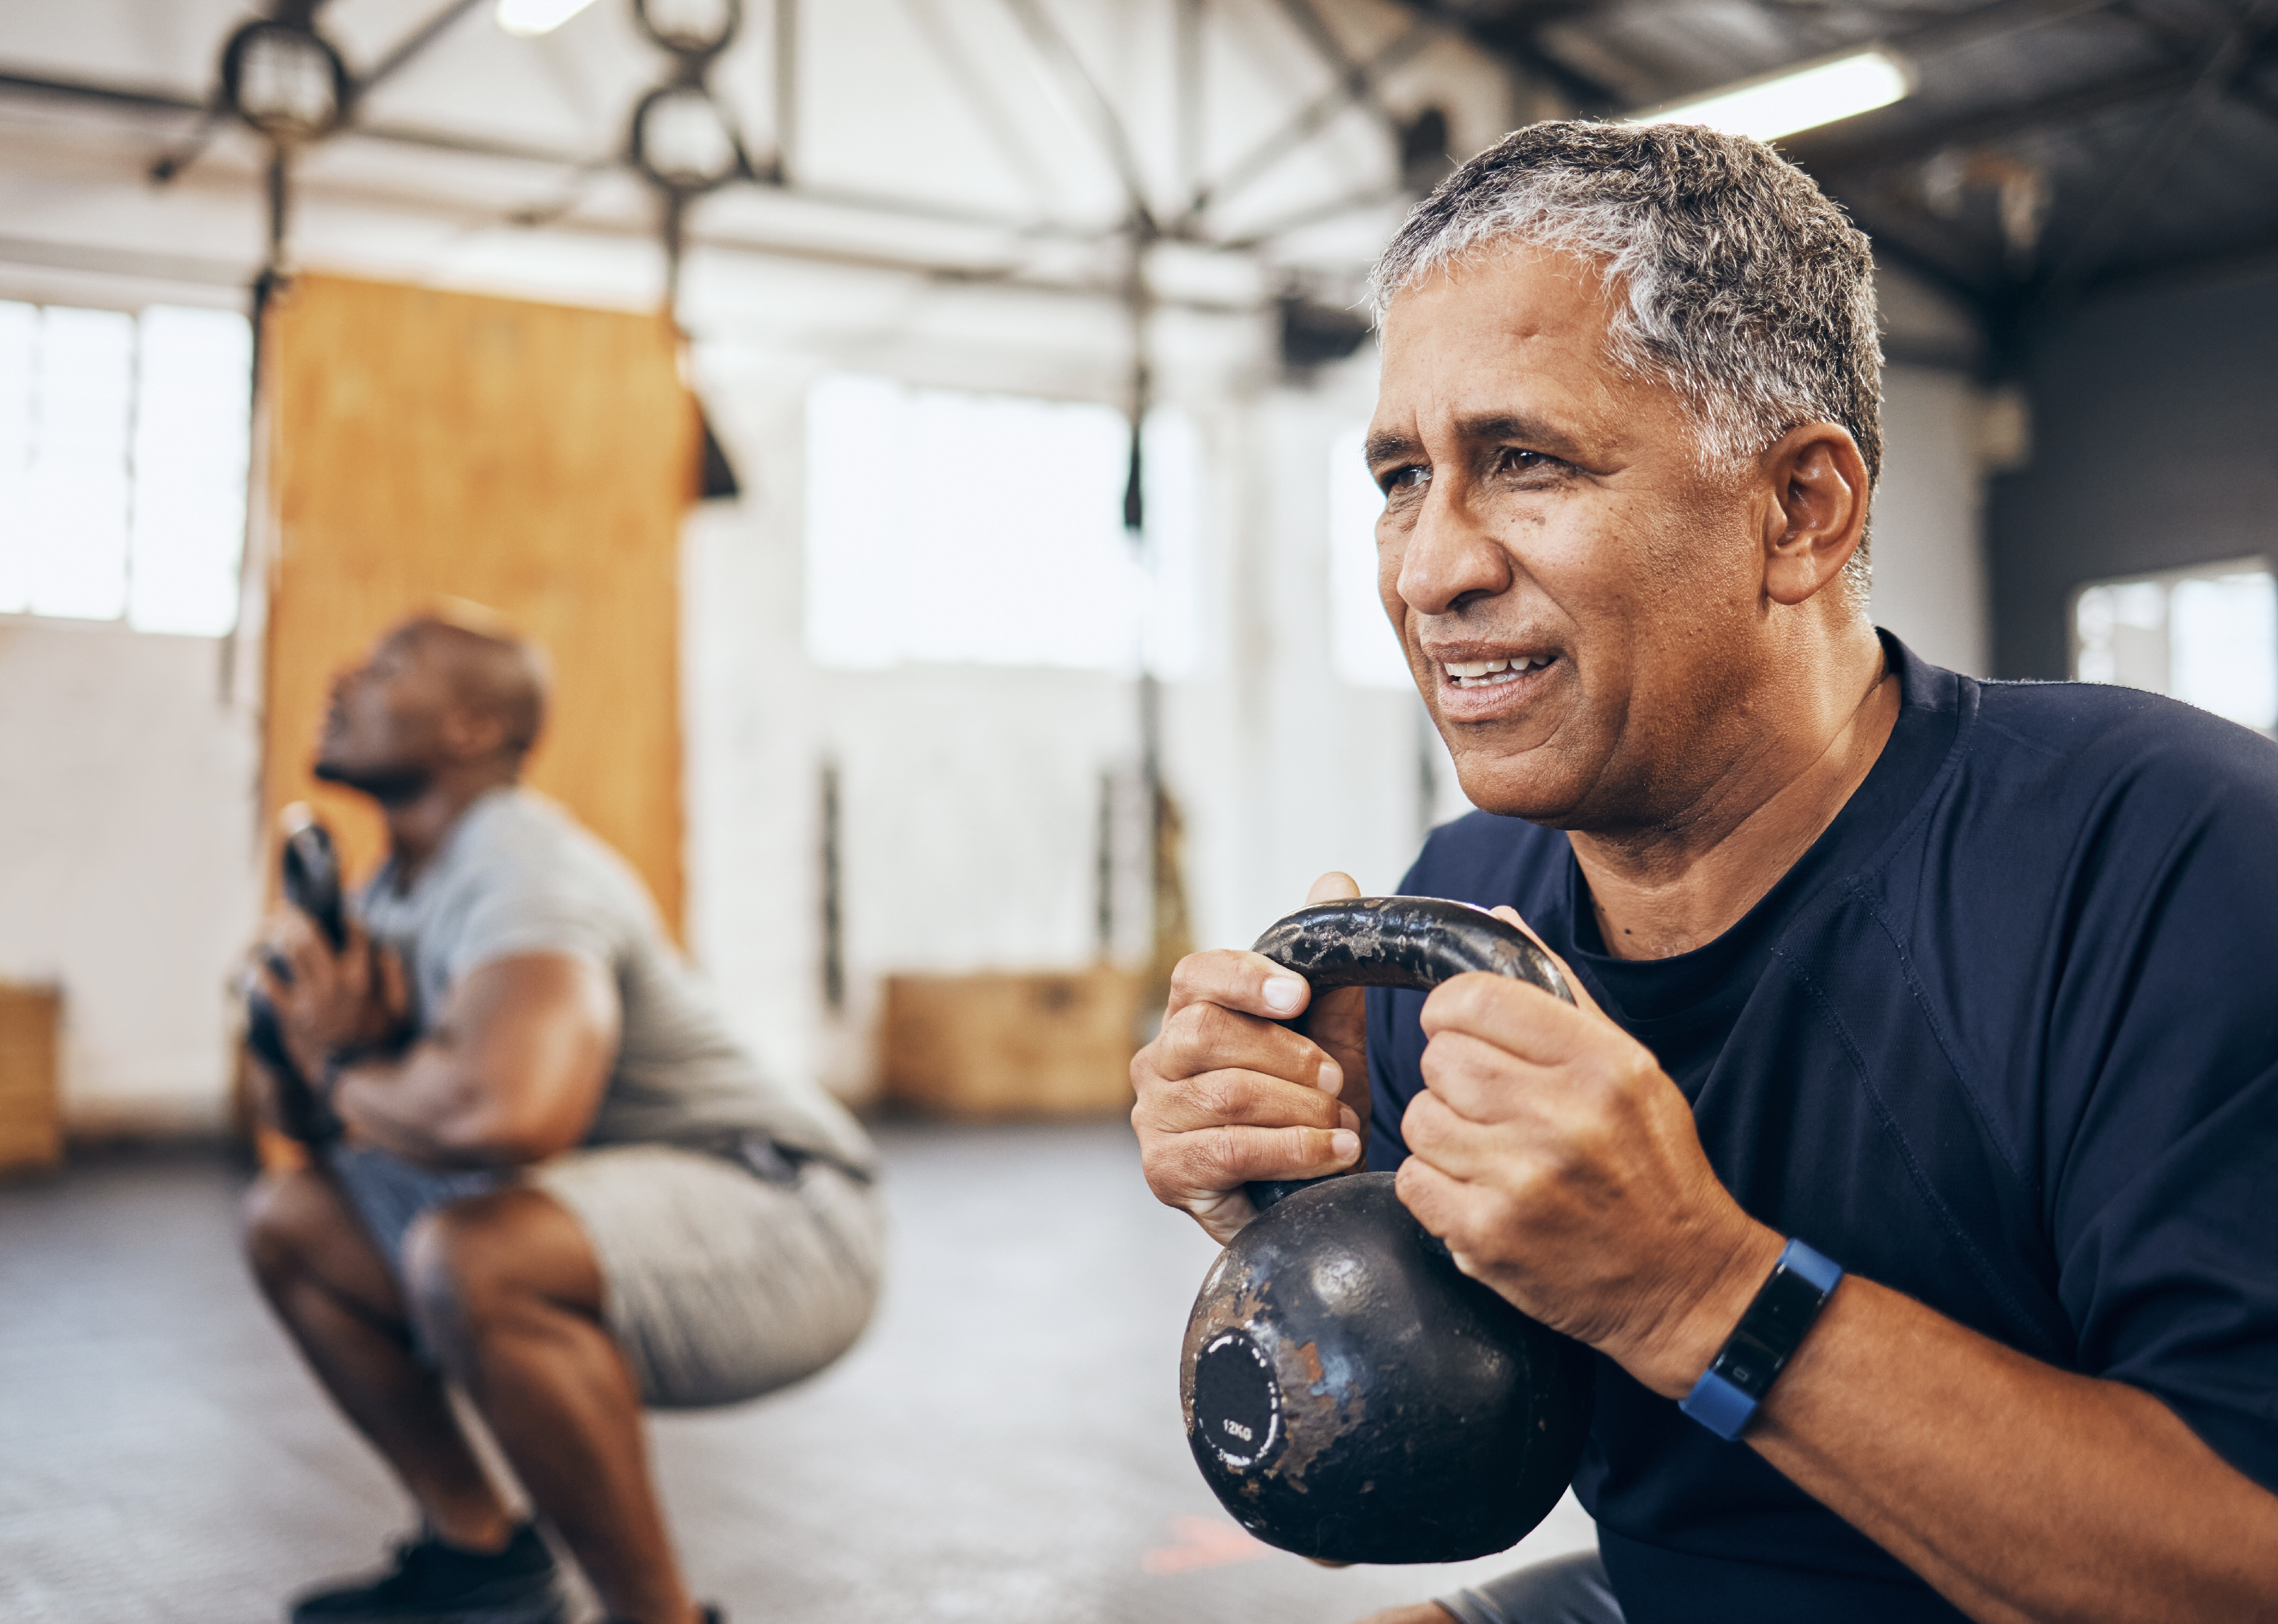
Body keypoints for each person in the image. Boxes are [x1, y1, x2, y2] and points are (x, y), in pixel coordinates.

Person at [1131, 121, 2278, 1623]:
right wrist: (1314, 1239)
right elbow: (1391, 1504)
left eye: (1520, 461)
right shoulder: (1462, 922)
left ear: (1797, 511)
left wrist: (1694, 1288)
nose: (1427, 569)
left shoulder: (2160, 859)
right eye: (1401, 476)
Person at [243, 611, 883, 1624]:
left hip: (791, 1218)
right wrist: (287, 1032)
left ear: (468, 726)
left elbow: (510, 1112)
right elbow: (307, 1130)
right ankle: (481, 1562)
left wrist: (334, 1064)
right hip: (624, 1204)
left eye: (385, 667)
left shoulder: (520, 869)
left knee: (479, 1251)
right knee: (294, 1221)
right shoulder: (392, 889)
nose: (342, 678)